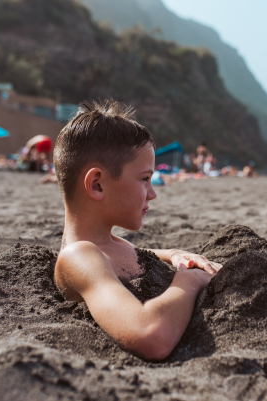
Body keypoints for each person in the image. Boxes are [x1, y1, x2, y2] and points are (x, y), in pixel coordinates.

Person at [53, 100, 222, 361]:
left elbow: (140, 253)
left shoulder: (109, 243)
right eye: (145, 179)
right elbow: (151, 336)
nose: (152, 194)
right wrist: (190, 280)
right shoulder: (79, 257)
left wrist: (175, 254)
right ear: (97, 185)